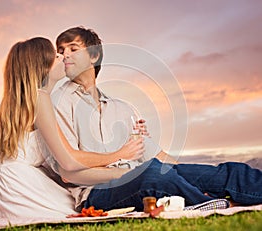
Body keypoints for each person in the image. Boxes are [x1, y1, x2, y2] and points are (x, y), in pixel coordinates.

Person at [49, 26, 262, 212]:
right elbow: (69, 171)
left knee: (224, 172)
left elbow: (157, 156)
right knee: (153, 175)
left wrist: (188, 175)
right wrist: (127, 169)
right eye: (60, 51)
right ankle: (212, 204)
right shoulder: (59, 103)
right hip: (97, 194)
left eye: (72, 49)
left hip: (140, 174)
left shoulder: (122, 108)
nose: (64, 56)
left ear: (94, 56)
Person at [0, 37, 144, 220]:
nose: (62, 57)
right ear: (43, 66)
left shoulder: (24, 103)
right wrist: (121, 154)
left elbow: (57, 161)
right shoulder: (40, 98)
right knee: (79, 214)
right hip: (20, 188)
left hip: (5, 189)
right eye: (56, 55)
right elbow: (68, 161)